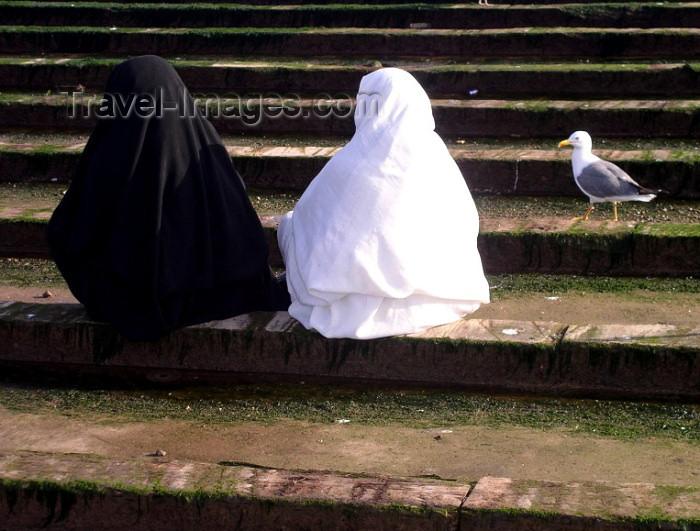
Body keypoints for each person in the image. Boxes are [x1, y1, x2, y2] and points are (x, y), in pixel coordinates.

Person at [47, 55, 289, 341]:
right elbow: (245, 240)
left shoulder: (108, 162)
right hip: (224, 292)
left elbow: (66, 234)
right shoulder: (207, 155)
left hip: (129, 299)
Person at [278, 67, 489, 339]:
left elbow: (308, 218)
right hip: (439, 298)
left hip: (343, 306)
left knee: (291, 223)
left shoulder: (348, 163)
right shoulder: (436, 157)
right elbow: (465, 224)